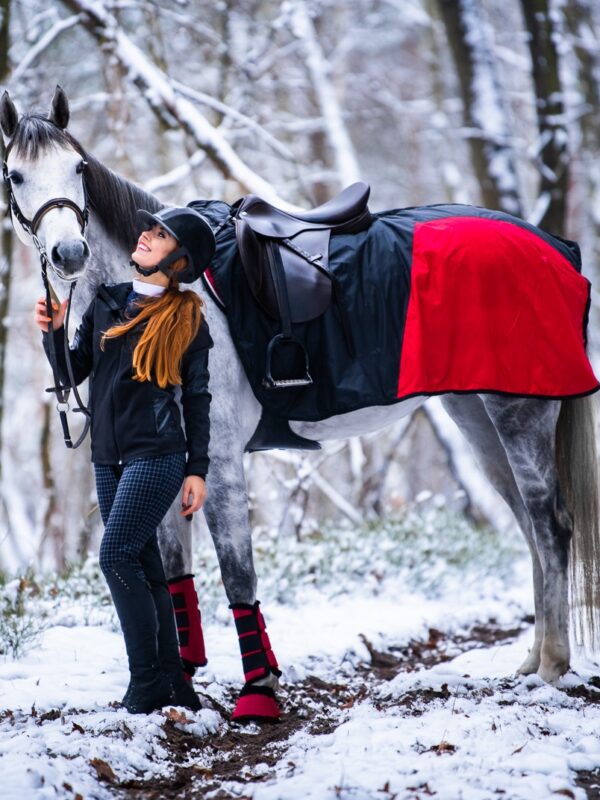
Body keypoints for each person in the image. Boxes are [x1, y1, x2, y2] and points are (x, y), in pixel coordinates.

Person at [35, 206, 216, 714]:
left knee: (114, 556)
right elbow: (71, 373)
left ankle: (146, 682)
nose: (146, 236)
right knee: (144, 563)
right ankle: (174, 682)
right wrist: (54, 331)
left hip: (158, 456)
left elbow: (197, 399)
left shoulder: (187, 320)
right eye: (150, 229)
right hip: (107, 457)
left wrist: (197, 469)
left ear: (178, 262)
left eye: (161, 235)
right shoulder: (108, 301)